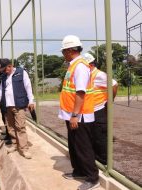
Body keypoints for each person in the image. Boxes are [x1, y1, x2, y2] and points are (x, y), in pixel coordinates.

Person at [59, 35, 99, 190]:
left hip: (79, 115)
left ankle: (92, 178)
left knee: (83, 147)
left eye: (64, 51)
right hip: (71, 114)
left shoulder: (81, 66)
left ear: (70, 50)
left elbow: (80, 93)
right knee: (74, 145)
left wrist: (75, 115)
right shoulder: (73, 65)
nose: (63, 54)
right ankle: (79, 171)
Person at [0, 58, 34, 159]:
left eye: (5, 69)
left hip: (19, 104)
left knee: (20, 127)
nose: (4, 72)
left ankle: (24, 149)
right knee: (10, 127)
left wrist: (31, 100)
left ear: (10, 66)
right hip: (8, 106)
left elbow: (28, 86)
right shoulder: (4, 77)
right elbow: (1, 90)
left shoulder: (21, 73)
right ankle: (15, 144)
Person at [83, 53, 118, 165]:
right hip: (90, 110)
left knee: (100, 138)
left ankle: (104, 163)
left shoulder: (99, 75)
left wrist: (109, 101)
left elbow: (114, 84)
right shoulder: (88, 75)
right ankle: (97, 161)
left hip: (99, 110)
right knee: (93, 137)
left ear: (90, 64)